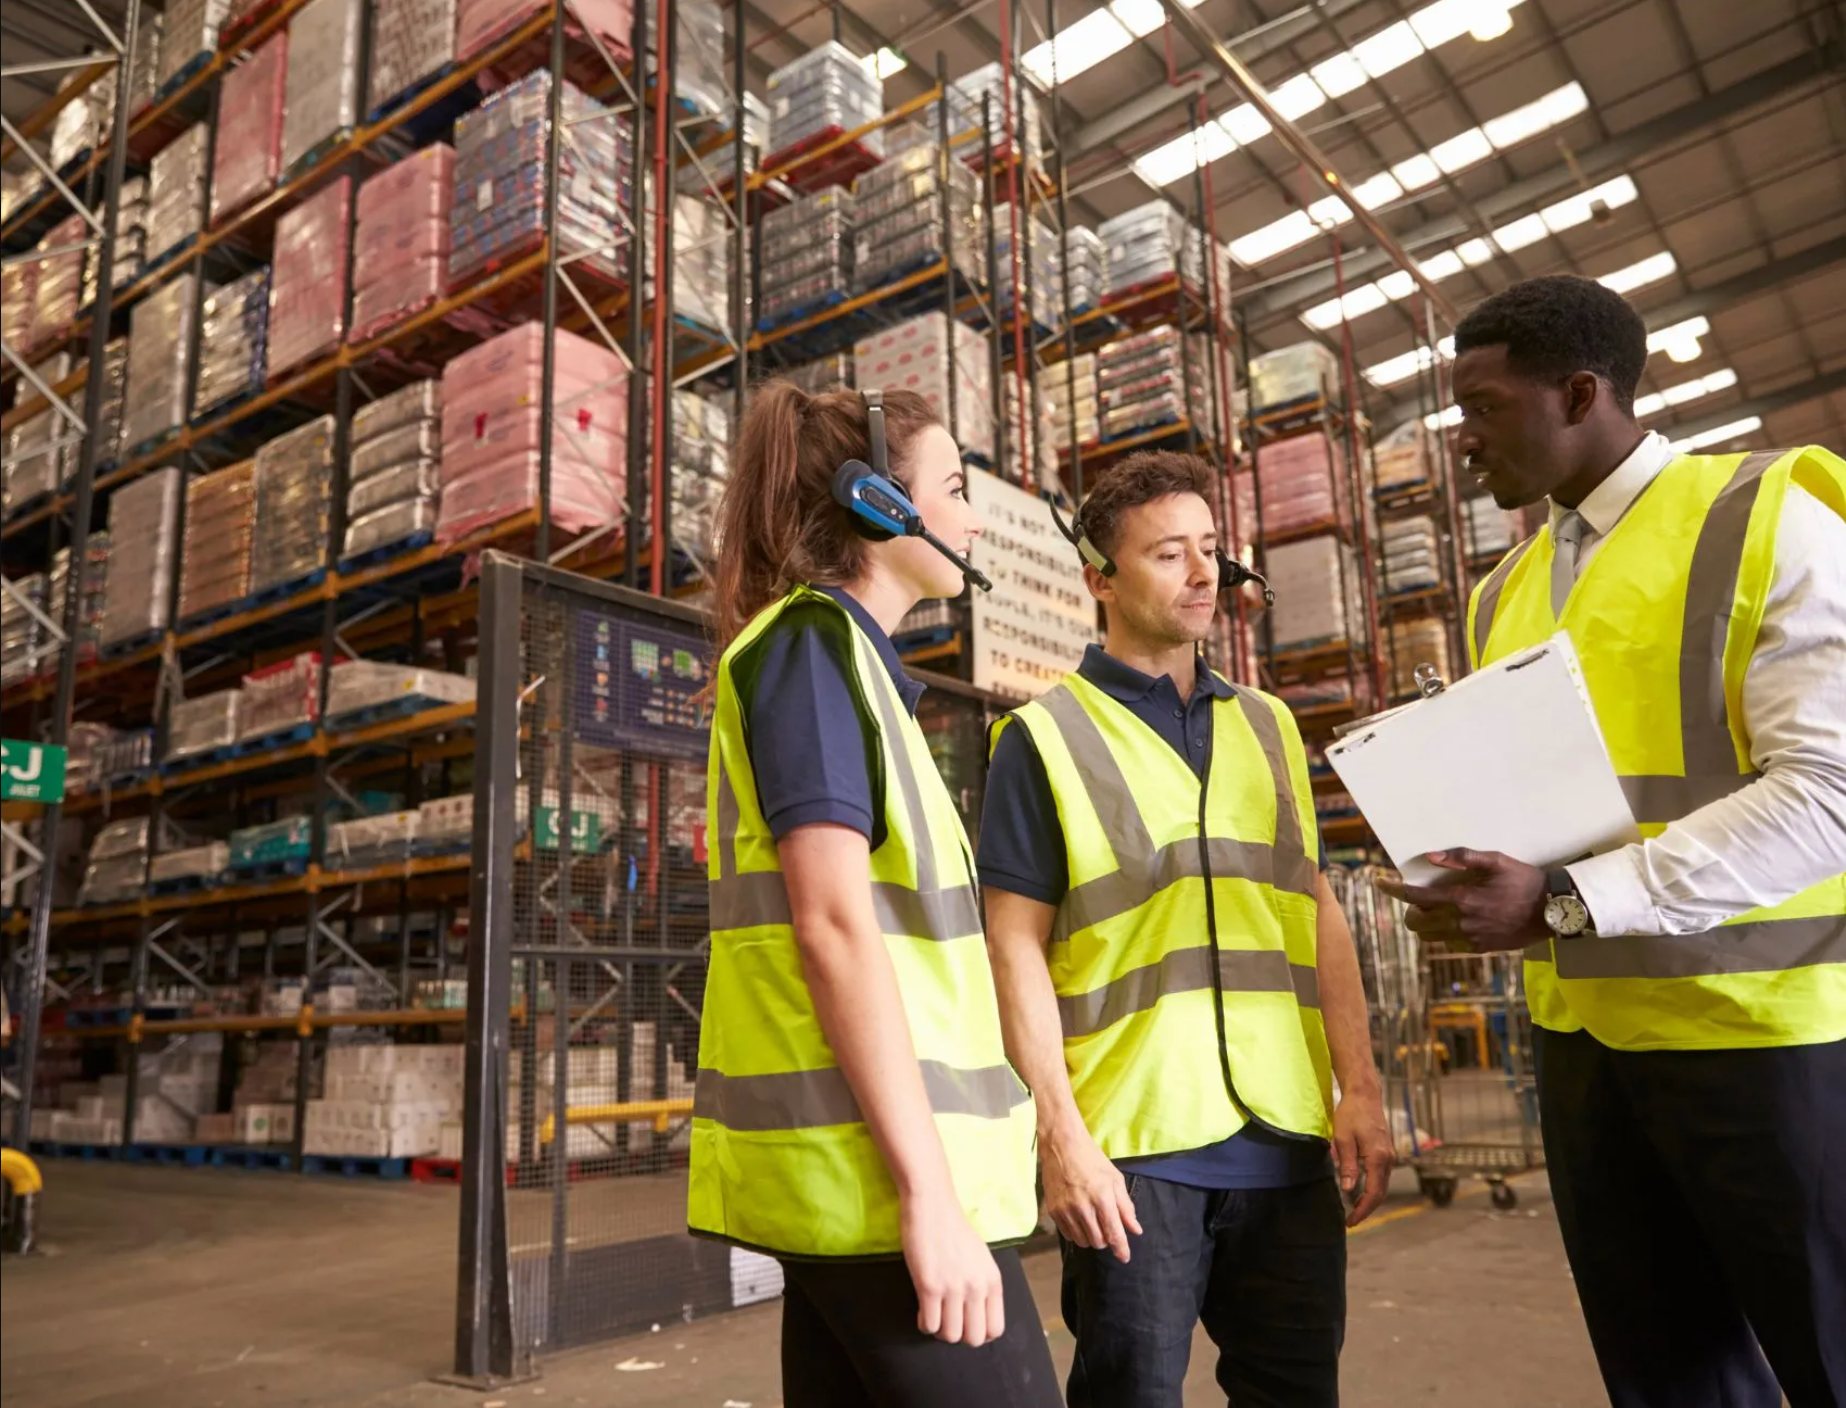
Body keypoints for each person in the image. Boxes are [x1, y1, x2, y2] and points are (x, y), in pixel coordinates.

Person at [1378, 274, 1846, 1408]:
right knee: (1668, 1380)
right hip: (1587, 1048)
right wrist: (1472, 878)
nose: (1461, 442)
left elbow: (1829, 791)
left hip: (1764, 1037)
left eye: (1483, 408)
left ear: (1581, 393)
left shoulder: (1765, 514)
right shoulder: (1504, 591)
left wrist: (1562, 899)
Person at [979, 450, 1394, 1408]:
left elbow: (1316, 912)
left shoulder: (1270, 726)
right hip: (1135, 1149)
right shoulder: (1043, 738)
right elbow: (1012, 949)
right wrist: (1059, 1138)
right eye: (1170, 554)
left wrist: (1360, 1089)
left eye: (1210, 549)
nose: (1205, 573)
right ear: (1101, 578)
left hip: (1286, 1137)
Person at [687, 381, 1059, 1408]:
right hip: (878, 1181)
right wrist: (928, 1193)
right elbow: (835, 926)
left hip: (861, 1180)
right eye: (953, 486)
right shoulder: (811, 652)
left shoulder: (850, 666)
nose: (975, 516)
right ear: (876, 505)